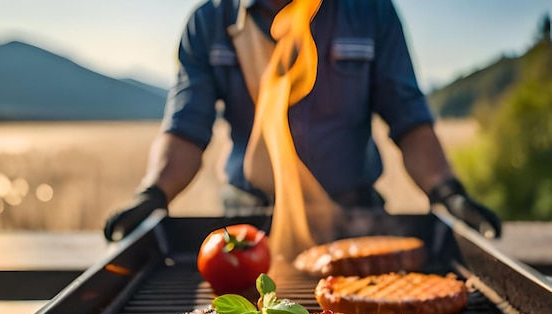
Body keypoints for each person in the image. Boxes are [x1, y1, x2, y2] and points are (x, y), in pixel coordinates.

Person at [103, 0, 501, 242]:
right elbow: (186, 128)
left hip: (355, 218)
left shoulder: (371, 10)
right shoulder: (208, 22)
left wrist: (448, 192)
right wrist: (153, 193)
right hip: (250, 225)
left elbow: (409, 117)